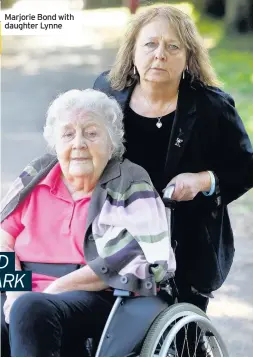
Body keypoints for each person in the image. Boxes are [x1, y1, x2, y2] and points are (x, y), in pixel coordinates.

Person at [93, 4, 253, 314]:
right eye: (150, 44)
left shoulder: (211, 107)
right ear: (133, 52)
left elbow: (245, 167)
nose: (159, 54)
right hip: (116, 234)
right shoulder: (108, 92)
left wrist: (203, 179)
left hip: (187, 243)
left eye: (173, 46)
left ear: (188, 57)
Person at [0, 89, 176, 357]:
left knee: (31, 308)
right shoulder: (36, 177)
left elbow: (143, 254)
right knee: (24, 307)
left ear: (112, 142)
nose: (79, 143)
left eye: (91, 133)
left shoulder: (129, 182)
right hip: (26, 289)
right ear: (56, 142)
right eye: (68, 134)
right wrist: (14, 291)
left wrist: (55, 289)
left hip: (100, 296)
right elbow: (4, 239)